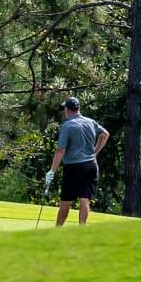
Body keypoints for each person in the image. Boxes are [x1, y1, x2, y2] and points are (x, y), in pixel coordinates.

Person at [45, 96, 108, 227]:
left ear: (67, 110)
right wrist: (95, 153)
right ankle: (81, 230)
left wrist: (52, 170)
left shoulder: (67, 126)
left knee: (66, 201)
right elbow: (105, 134)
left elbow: (60, 150)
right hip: (91, 165)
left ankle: (57, 230)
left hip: (74, 167)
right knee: (85, 200)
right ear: (78, 108)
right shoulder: (90, 122)